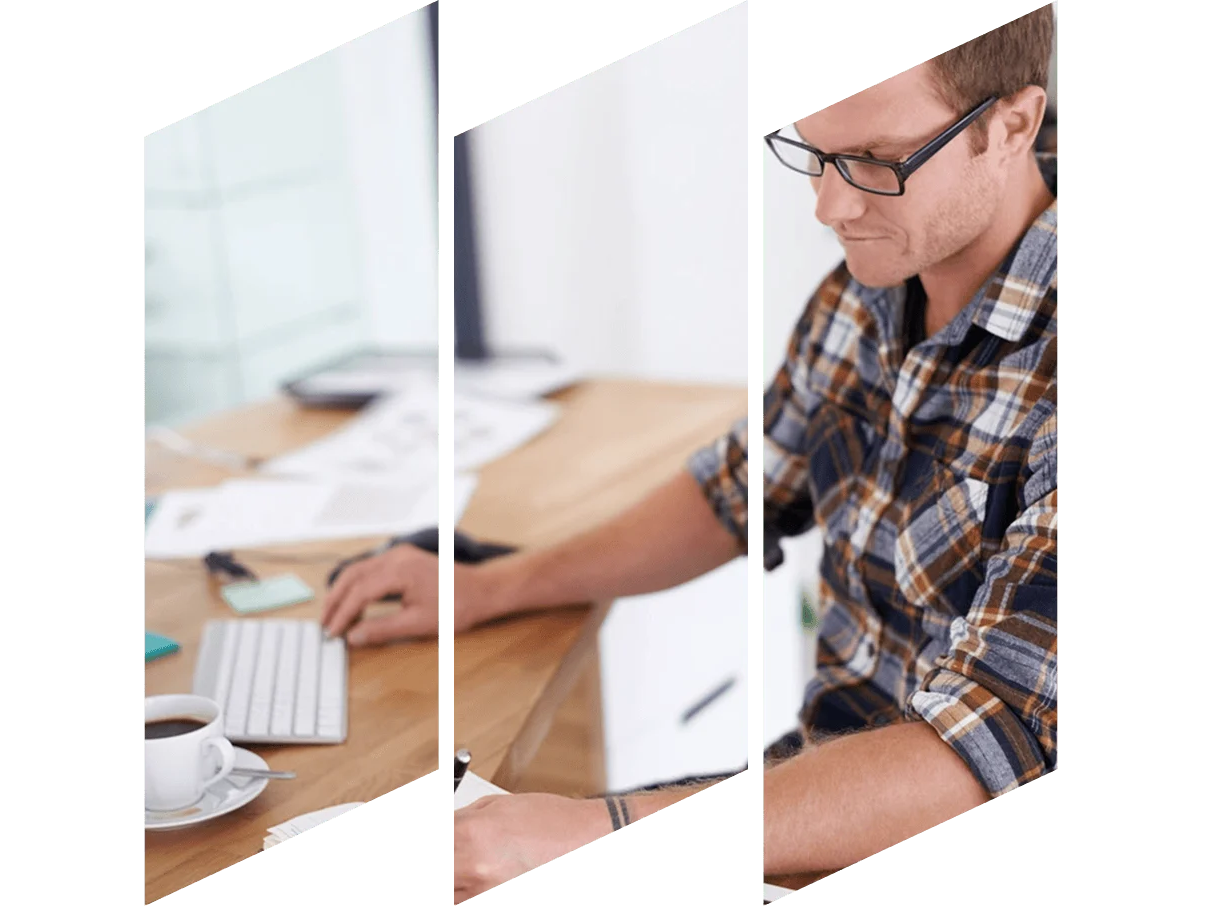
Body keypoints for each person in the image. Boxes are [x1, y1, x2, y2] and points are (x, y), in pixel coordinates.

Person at [322, 6, 1057, 901]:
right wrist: (492, 586)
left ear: (1012, 124)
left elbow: (984, 748)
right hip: (817, 798)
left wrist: (608, 830)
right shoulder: (866, 292)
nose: (829, 206)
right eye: (813, 152)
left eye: (874, 161)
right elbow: (736, 492)